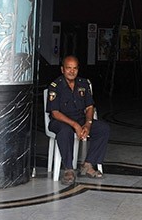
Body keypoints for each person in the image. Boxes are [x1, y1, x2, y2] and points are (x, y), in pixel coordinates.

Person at [46, 56, 110, 185]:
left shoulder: (83, 84)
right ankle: (69, 169)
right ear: (62, 69)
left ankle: (87, 164)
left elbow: (90, 107)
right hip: (60, 121)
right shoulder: (55, 86)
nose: (72, 71)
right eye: (68, 68)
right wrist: (75, 125)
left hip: (80, 119)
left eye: (75, 68)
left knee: (103, 128)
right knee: (65, 131)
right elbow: (55, 113)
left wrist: (88, 123)